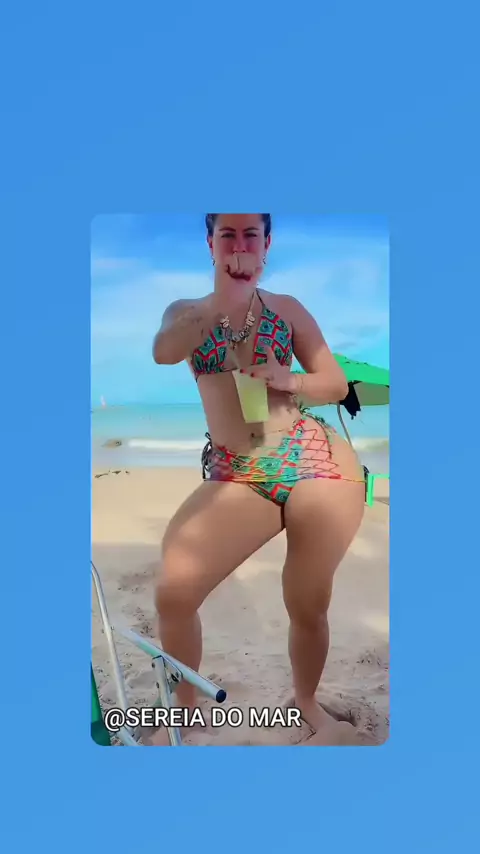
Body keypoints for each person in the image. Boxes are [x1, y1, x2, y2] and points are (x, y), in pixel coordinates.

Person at [152, 213, 365, 745]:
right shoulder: (185, 311)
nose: (240, 245)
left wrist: (290, 379)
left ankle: (307, 701)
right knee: (175, 592)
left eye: (251, 234)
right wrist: (221, 301)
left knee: (306, 600)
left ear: (267, 243)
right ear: (210, 242)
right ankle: (185, 707)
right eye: (228, 234)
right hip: (238, 470)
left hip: (314, 459)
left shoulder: (287, 308)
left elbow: (336, 383)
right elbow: (164, 351)